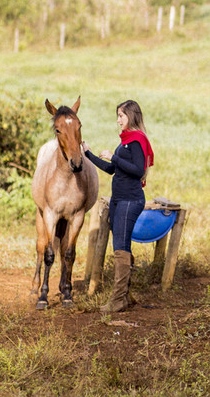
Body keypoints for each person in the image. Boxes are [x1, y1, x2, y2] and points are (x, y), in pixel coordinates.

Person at [83, 99, 154, 313]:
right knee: (121, 247)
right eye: (117, 116)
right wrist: (89, 155)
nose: (118, 120)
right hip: (119, 199)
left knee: (121, 248)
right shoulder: (125, 142)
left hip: (130, 200)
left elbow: (138, 169)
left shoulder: (136, 140)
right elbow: (112, 169)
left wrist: (114, 156)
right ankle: (125, 294)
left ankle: (118, 300)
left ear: (131, 116)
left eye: (121, 116)